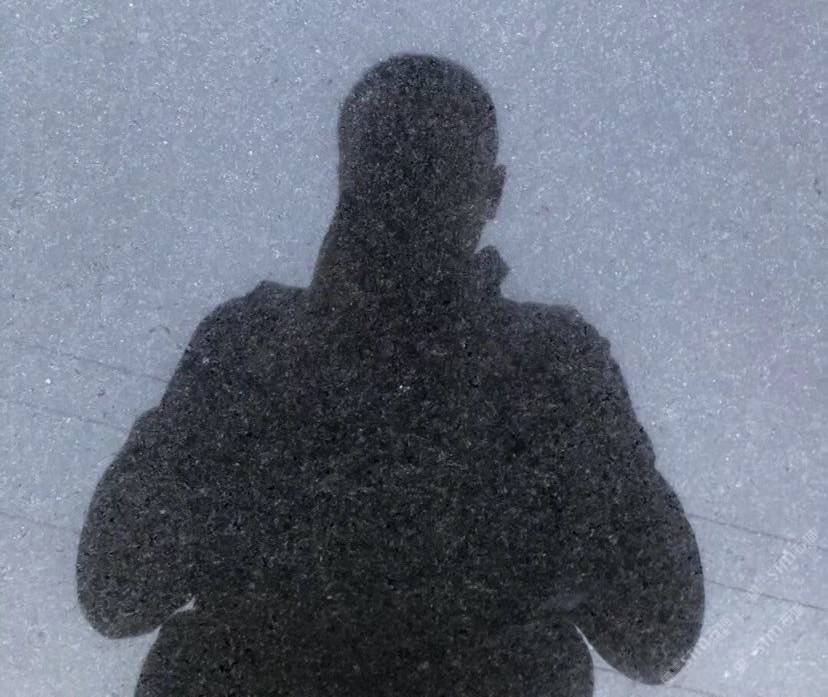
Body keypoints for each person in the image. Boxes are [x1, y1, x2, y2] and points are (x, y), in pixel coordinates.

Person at [77, 53, 704, 696]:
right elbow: (658, 635)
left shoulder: (251, 344)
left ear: (344, 172)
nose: (410, 198)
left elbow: (116, 591)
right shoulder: (551, 366)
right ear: (493, 191)